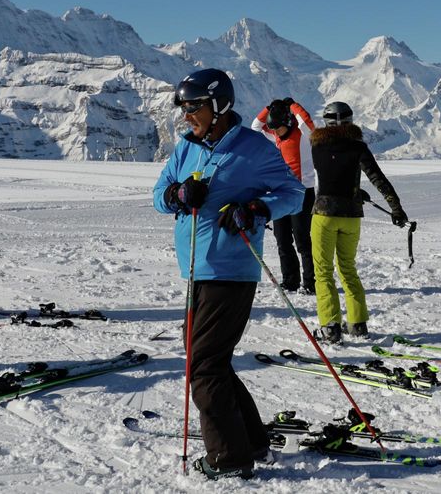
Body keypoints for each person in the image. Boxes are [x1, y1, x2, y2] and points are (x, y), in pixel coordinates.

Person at [151, 68, 304, 479]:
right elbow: (158, 195)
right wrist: (176, 194)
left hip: (232, 270)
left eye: (193, 107)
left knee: (203, 367)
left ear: (218, 106)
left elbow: (292, 194)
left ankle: (229, 457)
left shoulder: (253, 150)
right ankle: (250, 441)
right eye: (183, 107)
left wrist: (255, 209)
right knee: (209, 360)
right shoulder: (186, 149)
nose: (186, 116)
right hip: (196, 270)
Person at [307, 101, 408, 343]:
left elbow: (329, 175)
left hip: (324, 215)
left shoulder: (316, 146)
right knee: (348, 269)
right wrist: (396, 208)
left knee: (323, 273)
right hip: (351, 216)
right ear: (351, 120)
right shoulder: (358, 147)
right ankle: (357, 324)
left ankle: (330, 327)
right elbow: (377, 178)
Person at [250, 97, 317, 294]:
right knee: (282, 239)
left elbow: (307, 122)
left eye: (277, 128)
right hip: (281, 194)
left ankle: (311, 283)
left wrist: (293, 105)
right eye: (273, 129)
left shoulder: (303, 135)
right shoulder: (276, 136)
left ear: (287, 122)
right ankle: (290, 281)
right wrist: (268, 108)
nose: (274, 132)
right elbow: (256, 127)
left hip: (303, 192)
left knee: (303, 240)